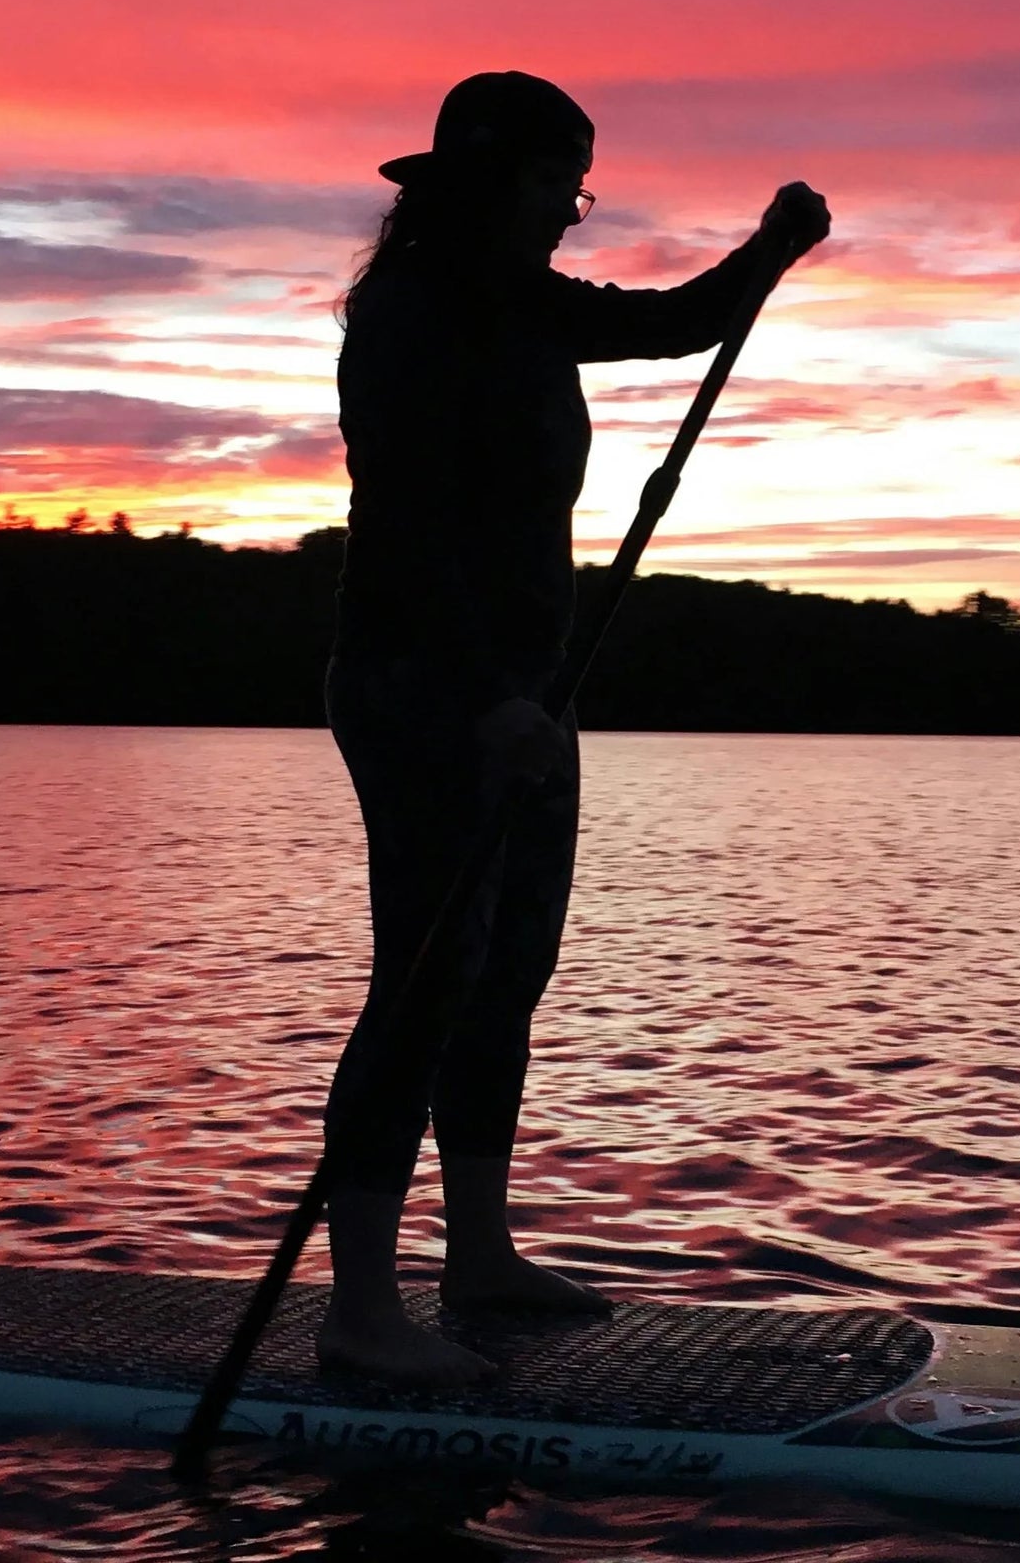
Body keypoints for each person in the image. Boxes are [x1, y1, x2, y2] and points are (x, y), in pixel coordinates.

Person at [319, 71, 830, 1387]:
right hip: (427, 687)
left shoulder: (523, 305)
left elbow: (673, 327)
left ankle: (478, 1257)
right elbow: (418, 529)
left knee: (508, 974)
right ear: (493, 179)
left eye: (577, 188)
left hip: (529, 695)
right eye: (556, 185)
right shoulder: (416, 318)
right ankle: (361, 1313)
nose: (569, 211)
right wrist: (487, 697)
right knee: (426, 980)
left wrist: (771, 252)